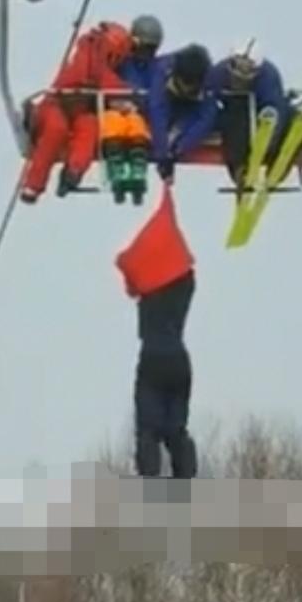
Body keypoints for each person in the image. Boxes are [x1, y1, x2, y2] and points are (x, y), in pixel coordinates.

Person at [115, 186, 198, 478]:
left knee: (148, 430)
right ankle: (185, 484)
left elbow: (132, 278)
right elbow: (186, 276)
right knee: (177, 429)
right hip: (180, 363)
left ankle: (149, 485)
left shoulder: (149, 297)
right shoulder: (183, 291)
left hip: (153, 361)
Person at [19, 21, 132, 203]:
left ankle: (73, 173)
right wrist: (123, 93)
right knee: (56, 129)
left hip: (80, 109)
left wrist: (121, 98)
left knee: (89, 128)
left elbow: (104, 80)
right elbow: (94, 75)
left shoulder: (95, 58)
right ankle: (33, 185)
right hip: (56, 104)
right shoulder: (89, 52)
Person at [210, 40, 302, 187]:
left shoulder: (269, 77)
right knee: (234, 115)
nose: (241, 75)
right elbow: (206, 99)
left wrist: (270, 130)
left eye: (248, 69)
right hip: (236, 118)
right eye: (238, 67)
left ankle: (279, 164)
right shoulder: (218, 75)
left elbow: (276, 106)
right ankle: (240, 169)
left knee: (284, 116)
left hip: (260, 115)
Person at [146, 44, 219, 183]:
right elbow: (157, 110)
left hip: (191, 109)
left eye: (191, 86)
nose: (186, 89)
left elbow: (205, 120)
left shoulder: (210, 80)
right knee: (161, 129)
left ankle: (173, 147)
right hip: (166, 102)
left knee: (184, 129)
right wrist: (162, 154)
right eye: (184, 83)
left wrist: (179, 149)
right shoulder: (162, 70)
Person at [116, 14, 164, 93]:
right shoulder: (119, 63)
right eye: (145, 47)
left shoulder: (160, 68)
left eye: (152, 47)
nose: (148, 52)